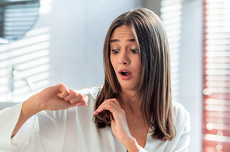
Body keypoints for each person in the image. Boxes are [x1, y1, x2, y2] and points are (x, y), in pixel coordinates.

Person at [0, 7, 190, 152]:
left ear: (156, 56)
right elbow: (8, 141)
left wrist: (128, 142)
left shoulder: (177, 118)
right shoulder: (80, 107)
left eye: (134, 50)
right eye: (115, 50)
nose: (122, 59)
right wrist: (35, 104)